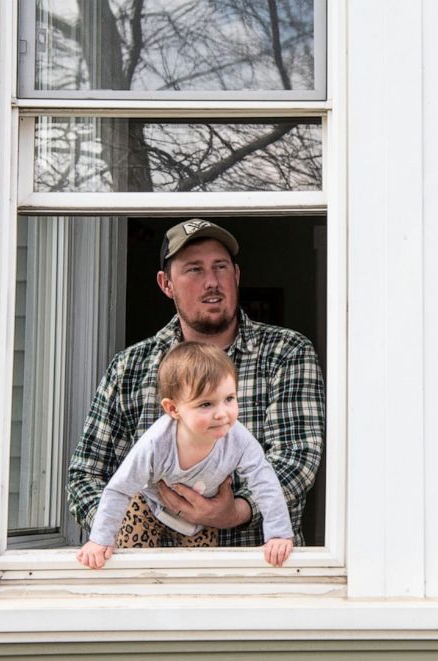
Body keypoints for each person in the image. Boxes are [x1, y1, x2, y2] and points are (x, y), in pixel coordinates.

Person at [68, 219, 324, 547]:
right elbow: (85, 475)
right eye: (194, 270)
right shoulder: (130, 367)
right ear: (166, 284)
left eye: (221, 267)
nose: (212, 282)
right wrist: (129, 524)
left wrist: (238, 510)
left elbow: (297, 455)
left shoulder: (285, 352)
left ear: (237, 275)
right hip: (152, 585)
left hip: (256, 575)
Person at [76, 342, 293, 569]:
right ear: (173, 409)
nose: (222, 414)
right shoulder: (156, 443)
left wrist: (278, 534)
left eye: (229, 398)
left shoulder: (238, 439)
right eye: (206, 404)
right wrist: (100, 539)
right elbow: (120, 487)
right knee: (132, 567)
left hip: (201, 518)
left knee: (200, 574)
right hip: (148, 506)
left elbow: (265, 481)